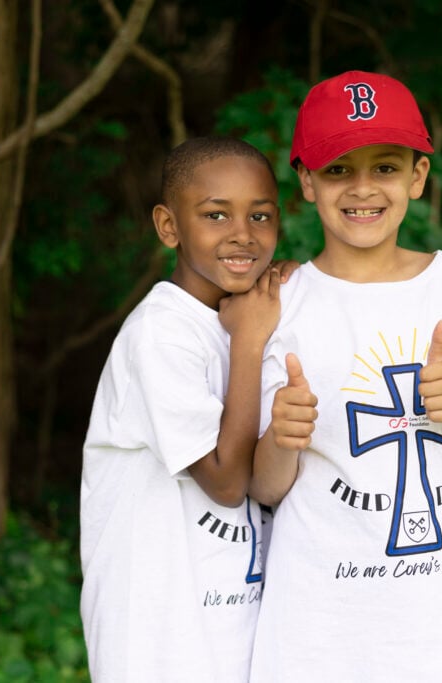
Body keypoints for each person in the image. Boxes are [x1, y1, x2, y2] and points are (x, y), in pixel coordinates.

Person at [249, 71, 442, 681]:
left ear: (418, 178)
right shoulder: (281, 302)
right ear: (306, 182)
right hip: (314, 630)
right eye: (338, 170)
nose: (362, 188)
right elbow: (265, 489)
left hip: (432, 631)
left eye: (384, 167)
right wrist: (281, 436)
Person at [80, 137, 285, 682]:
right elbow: (223, 481)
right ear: (169, 227)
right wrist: (247, 343)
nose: (243, 234)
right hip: (156, 635)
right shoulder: (161, 333)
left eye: (260, 215)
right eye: (216, 214)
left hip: (233, 622)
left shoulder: (254, 315)